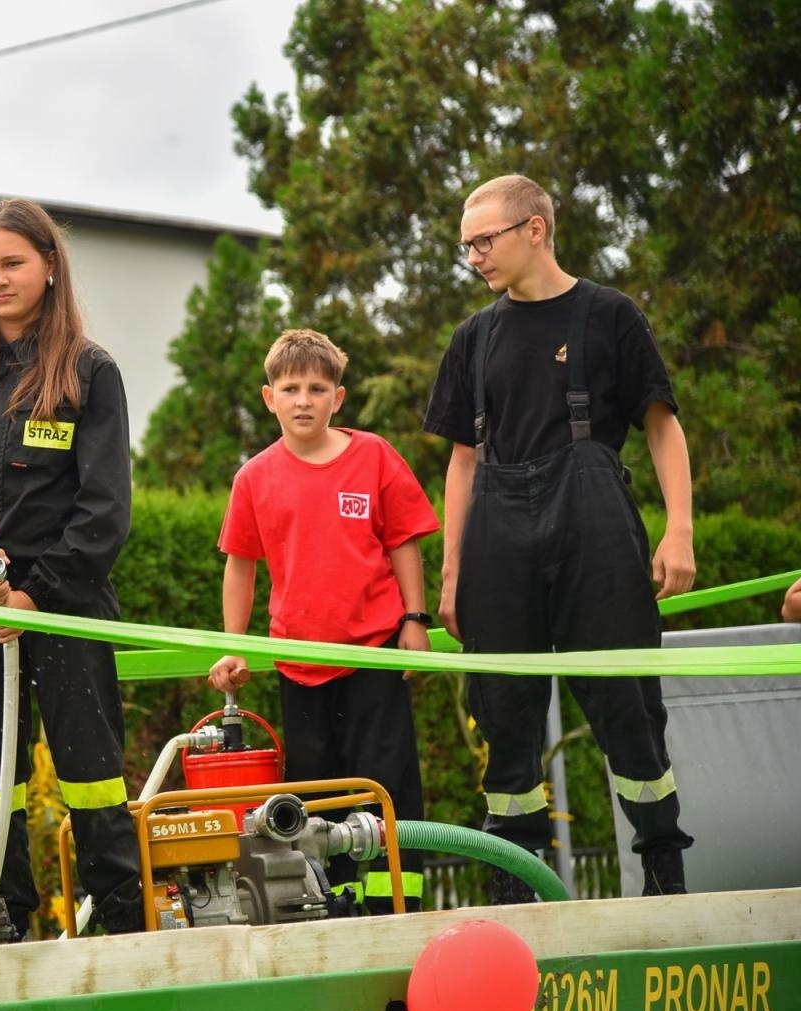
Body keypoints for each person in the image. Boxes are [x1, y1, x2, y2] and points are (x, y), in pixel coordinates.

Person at [423, 174, 696, 902]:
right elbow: (462, 461)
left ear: (535, 229)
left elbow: (663, 426)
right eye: (466, 246)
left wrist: (680, 529)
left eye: (485, 240)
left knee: (627, 706)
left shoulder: (611, 315)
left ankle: (663, 867)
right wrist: (452, 574)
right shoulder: (473, 338)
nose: (474, 256)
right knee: (503, 713)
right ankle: (517, 888)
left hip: (595, 526)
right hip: (497, 538)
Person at [0, 197, 144, 937]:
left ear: (49, 267)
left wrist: (37, 594)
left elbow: (105, 510)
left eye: (13, 263)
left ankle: (120, 926)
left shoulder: (88, 373)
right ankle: (1, 926)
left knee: (92, 775)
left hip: (64, 609)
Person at [207, 329, 439, 913]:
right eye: (291, 388)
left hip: (373, 654)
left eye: (317, 387)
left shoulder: (374, 455)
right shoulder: (254, 478)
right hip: (300, 665)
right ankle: (334, 904)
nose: (304, 399)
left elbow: (403, 541)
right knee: (317, 794)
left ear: (338, 397)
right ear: (270, 398)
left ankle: (394, 909)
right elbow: (241, 567)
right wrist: (235, 649)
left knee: (385, 788)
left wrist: (415, 619)